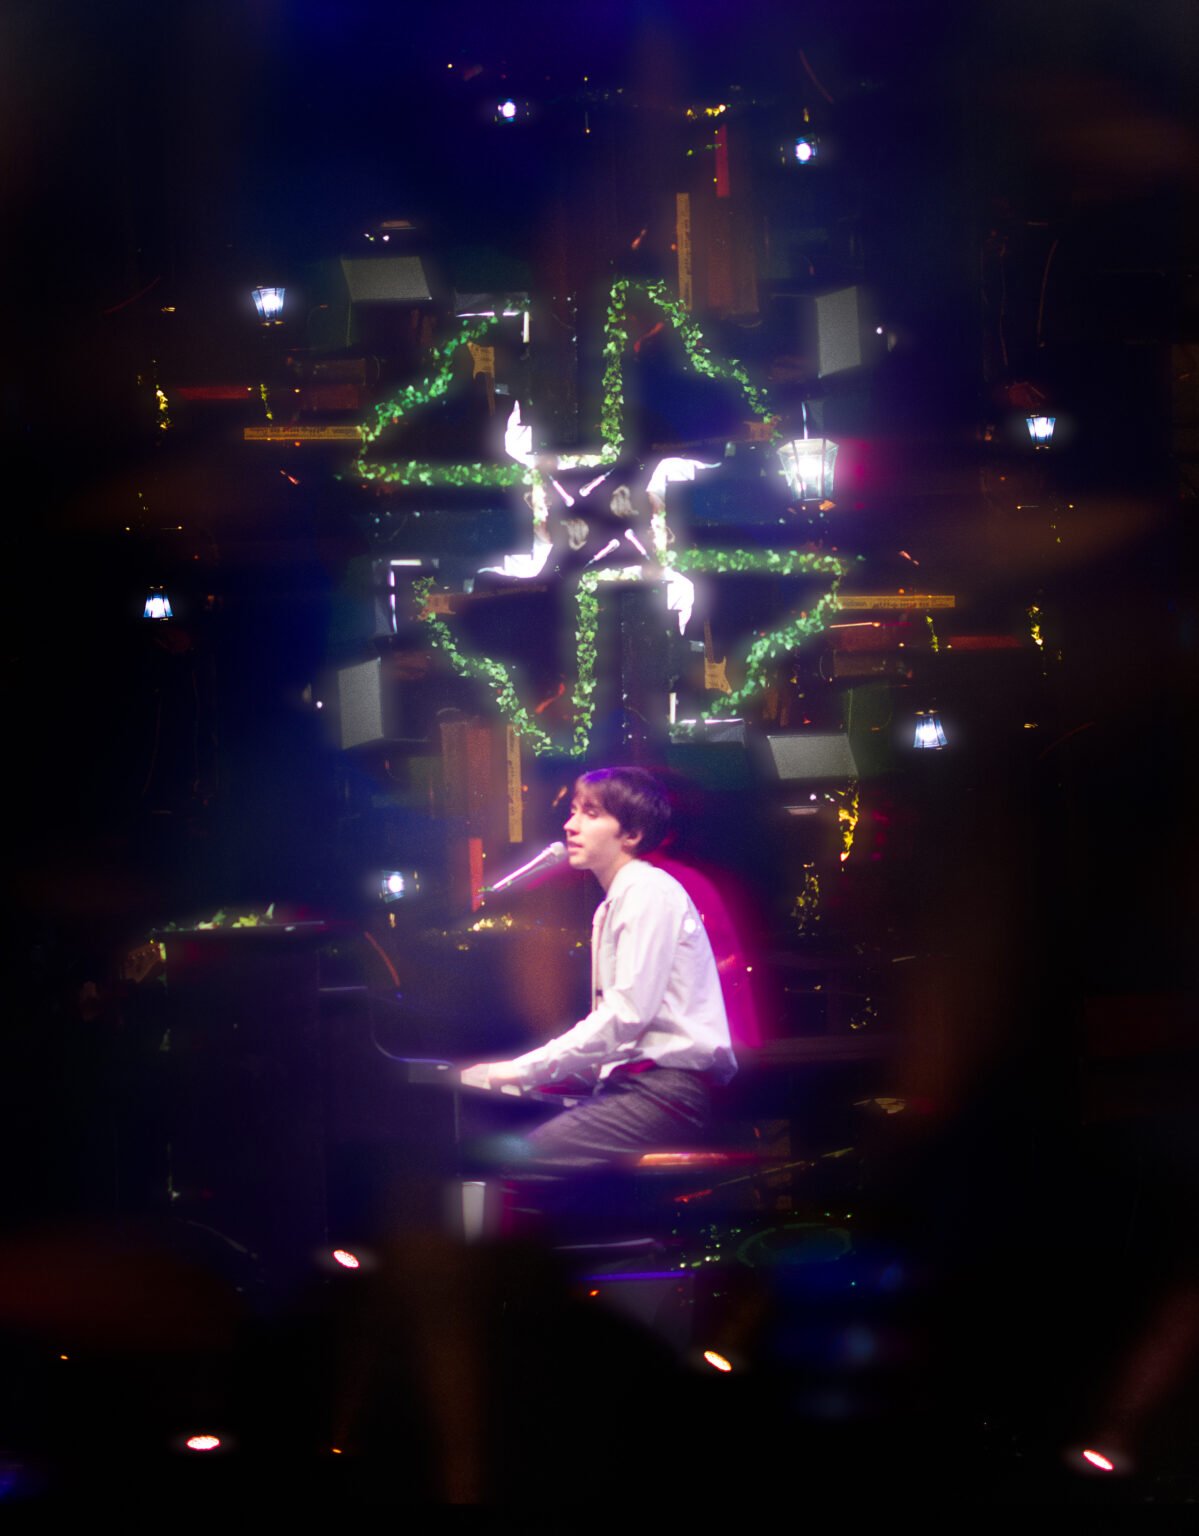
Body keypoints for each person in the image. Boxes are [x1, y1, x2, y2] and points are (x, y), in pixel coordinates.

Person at [461, 767, 736, 1167]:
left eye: (590, 813)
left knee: (515, 1163)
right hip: (640, 1087)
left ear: (632, 834)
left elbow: (626, 1016)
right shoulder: (619, 899)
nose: (570, 825)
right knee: (508, 1151)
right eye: (573, 811)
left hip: (664, 1093)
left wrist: (521, 1070)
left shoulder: (647, 892)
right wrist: (553, 1075)